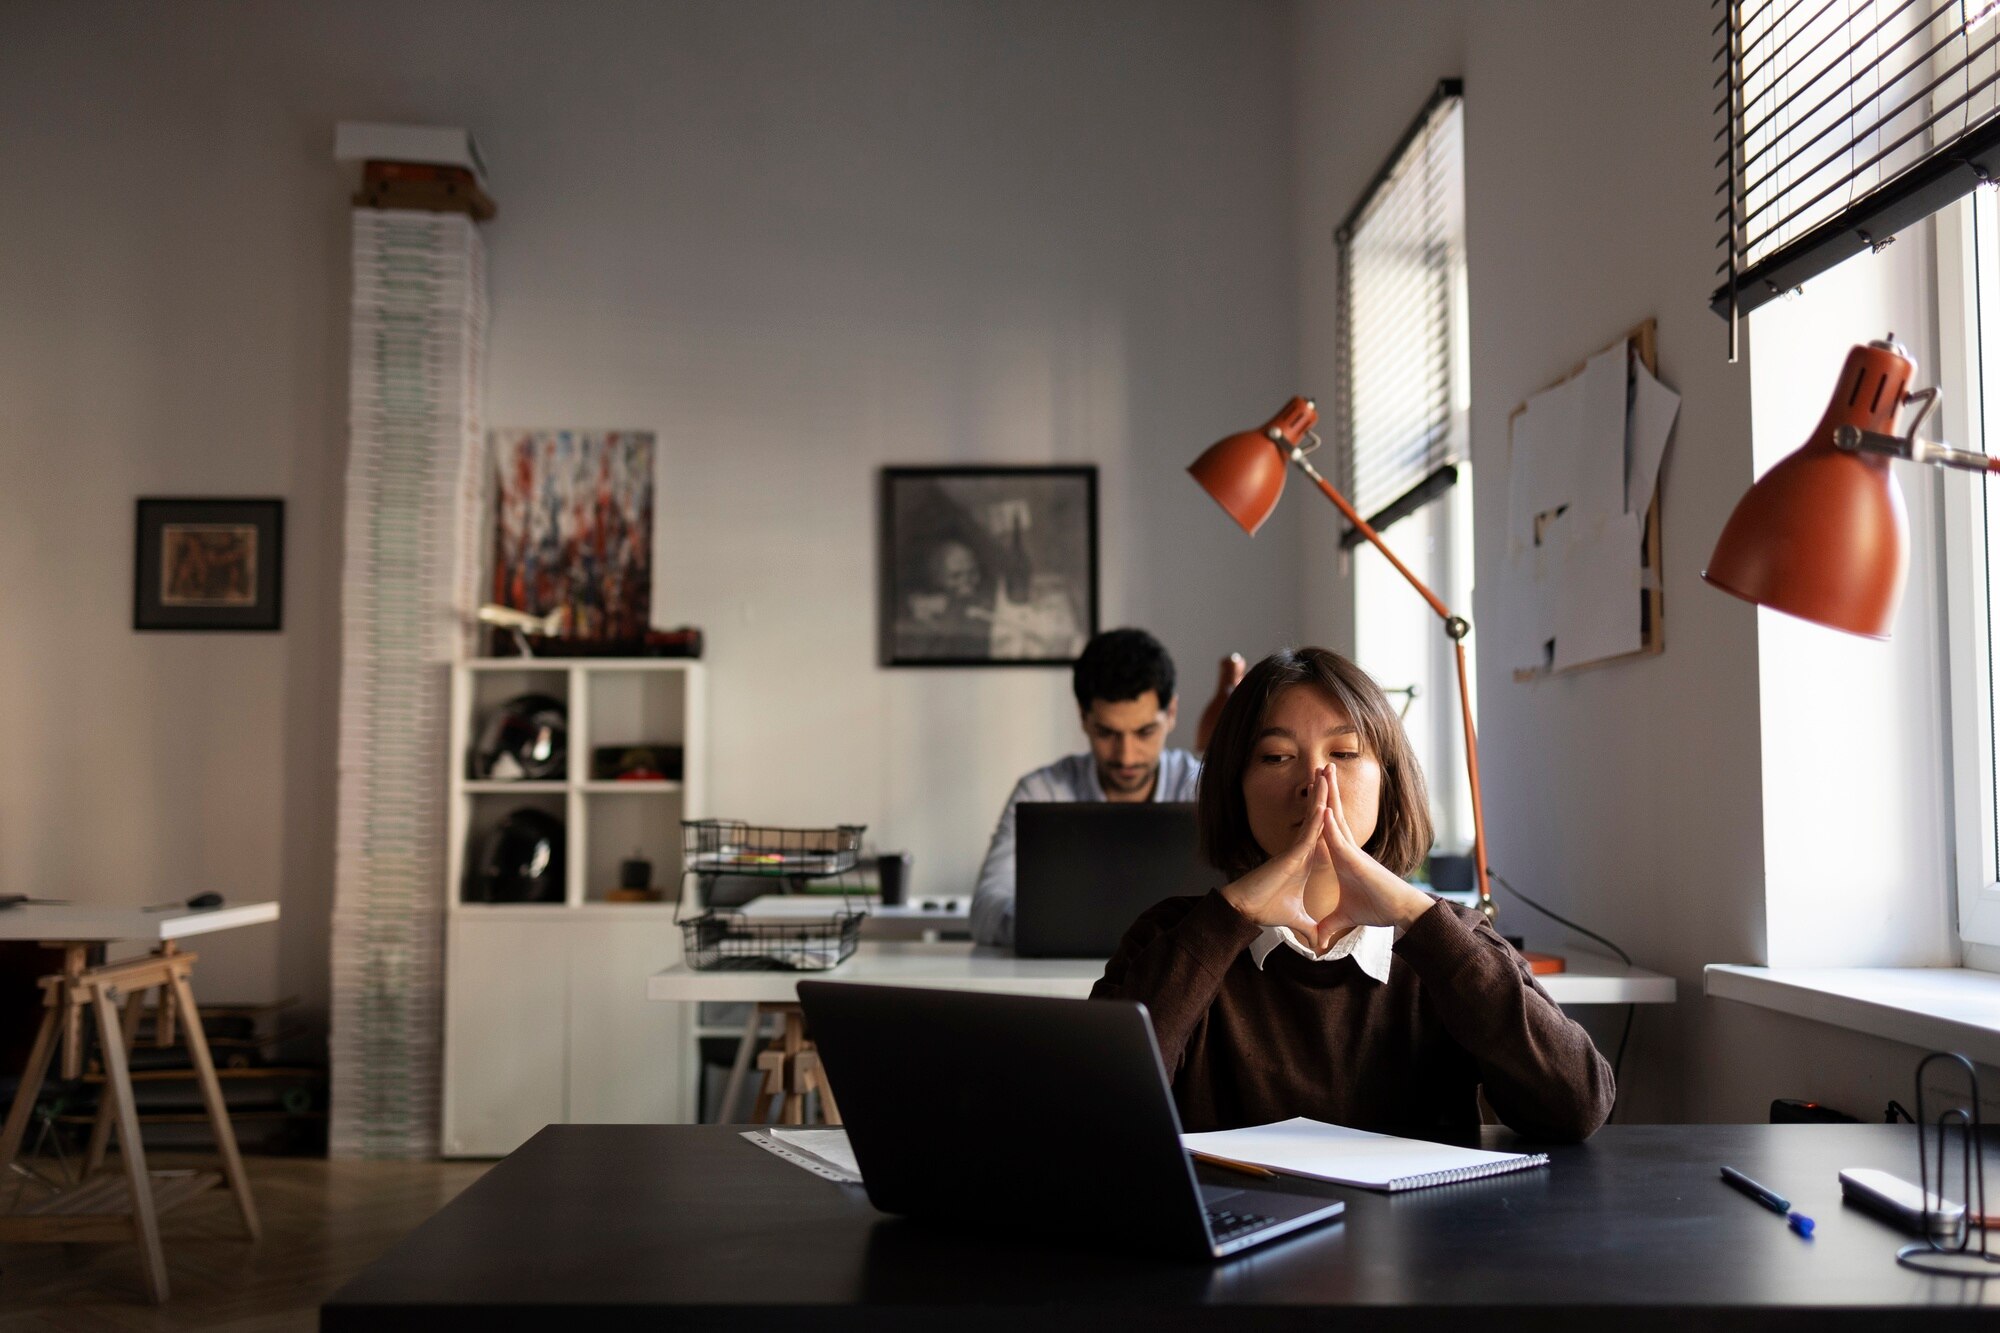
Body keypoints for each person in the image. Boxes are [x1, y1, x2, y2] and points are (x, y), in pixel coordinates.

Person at [1090, 647, 1613, 1140]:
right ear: (1235, 785)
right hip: (1234, 1234)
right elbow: (1094, 1110)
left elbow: (1576, 1106)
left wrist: (1415, 914)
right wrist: (1232, 916)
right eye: (1275, 757)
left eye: (1343, 753)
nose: (1315, 784)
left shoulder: (1450, 938)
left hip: (1416, 1235)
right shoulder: (1172, 936)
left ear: (1387, 780)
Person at [970, 628, 1204, 948]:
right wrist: (1047, 928)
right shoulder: (1041, 791)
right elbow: (985, 909)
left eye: (1145, 732)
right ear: (1083, 717)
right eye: (1107, 733)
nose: (1126, 755)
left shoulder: (1203, 789)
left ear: (1172, 713)